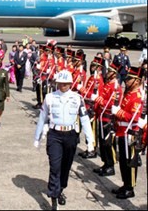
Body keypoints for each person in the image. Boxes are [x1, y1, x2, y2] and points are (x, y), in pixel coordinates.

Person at [34, 70, 95, 210]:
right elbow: (42, 118)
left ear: (70, 84)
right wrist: (37, 137)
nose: (63, 86)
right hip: (55, 135)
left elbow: (85, 120)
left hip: (71, 135)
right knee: (55, 166)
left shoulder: (77, 98)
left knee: (65, 166)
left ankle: (61, 188)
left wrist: (90, 140)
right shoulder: (50, 97)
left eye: (66, 83)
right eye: (60, 83)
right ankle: (54, 196)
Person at [110, 66, 144, 199]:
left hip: (130, 134)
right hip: (122, 131)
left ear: (137, 81)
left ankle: (130, 188)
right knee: (123, 161)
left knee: (130, 162)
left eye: (130, 78)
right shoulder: (128, 94)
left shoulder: (137, 97)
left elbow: (134, 117)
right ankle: (125, 184)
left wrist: (118, 112)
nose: (127, 80)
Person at [90, 62, 123, 177]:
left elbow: (111, 105)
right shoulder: (108, 84)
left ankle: (110, 165)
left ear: (114, 74)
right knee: (102, 143)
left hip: (108, 118)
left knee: (108, 144)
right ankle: (105, 163)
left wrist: (98, 100)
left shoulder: (116, 88)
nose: (107, 73)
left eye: (109, 71)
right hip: (102, 116)